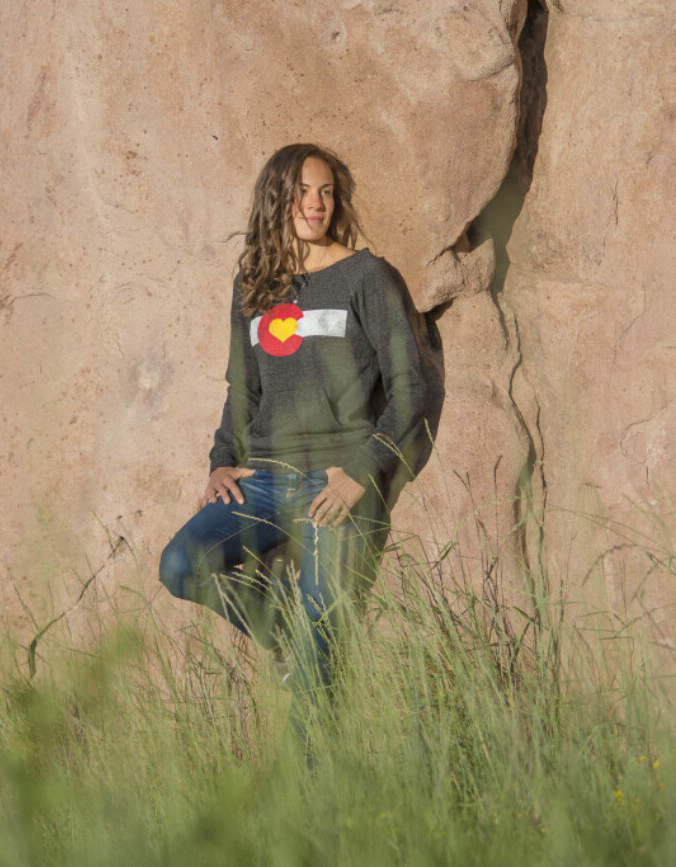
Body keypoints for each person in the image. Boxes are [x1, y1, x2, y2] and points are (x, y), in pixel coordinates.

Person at [159, 142, 427, 725]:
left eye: (327, 191)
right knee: (181, 564)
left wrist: (362, 473)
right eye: (304, 191)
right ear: (278, 199)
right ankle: (285, 633)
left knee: (323, 637)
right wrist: (222, 461)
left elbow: (410, 389)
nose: (317, 203)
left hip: (334, 482)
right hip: (264, 480)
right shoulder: (253, 286)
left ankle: (315, 783)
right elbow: (242, 390)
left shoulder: (367, 276)